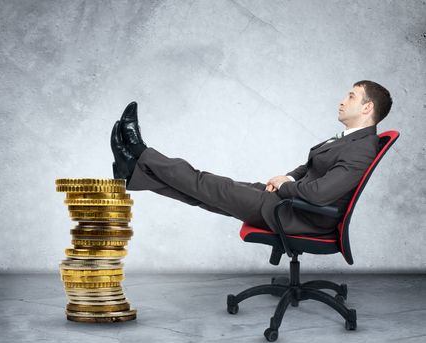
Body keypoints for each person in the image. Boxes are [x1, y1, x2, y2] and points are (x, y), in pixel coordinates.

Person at [110, 80, 392, 238]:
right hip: (289, 203)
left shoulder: (362, 148)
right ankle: (133, 172)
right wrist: (289, 177)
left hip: (300, 215)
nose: (343, 100)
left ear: (367, 108)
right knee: (203, 194)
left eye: (351, 97)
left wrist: (284, 186)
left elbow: (320, 193)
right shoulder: (349, 139)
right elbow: (309, 167)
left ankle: (140, 152)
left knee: (205, 183)